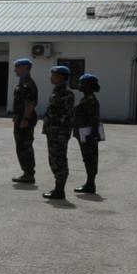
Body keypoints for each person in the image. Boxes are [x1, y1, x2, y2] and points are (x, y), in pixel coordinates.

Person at [40, 65, 76, 201]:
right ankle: (58, 189)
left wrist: (62, 134)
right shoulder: (57, 91)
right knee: (54, 159)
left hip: (58, 133)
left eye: (53, 75)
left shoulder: (66, 94)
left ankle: (60, 190)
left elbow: (67, 116)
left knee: (59, 159)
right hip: (53, 132)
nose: (51, 78)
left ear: (61, 77)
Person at [10, 58, 38, 184]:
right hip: (20, 119)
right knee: (21, 147)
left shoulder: (28, 84)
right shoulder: (22, 83)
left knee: (25, 147)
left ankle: (29, 174)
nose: (15, 70)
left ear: (24, 68)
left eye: (17, 67)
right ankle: (27, 173)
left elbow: (30, 103)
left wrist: (25, 119)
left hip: (25, 120)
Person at [73, 73, 101, 195]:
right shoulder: (86, 98)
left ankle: (90, 184)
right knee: (88, 159)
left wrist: (92, 135)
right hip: (84, 134)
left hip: (87, 134)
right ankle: (89, 183)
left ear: (88, 85)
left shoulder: (90, 100)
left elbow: (94, 119)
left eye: (81, 83)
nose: (79, 85)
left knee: (90, 159)